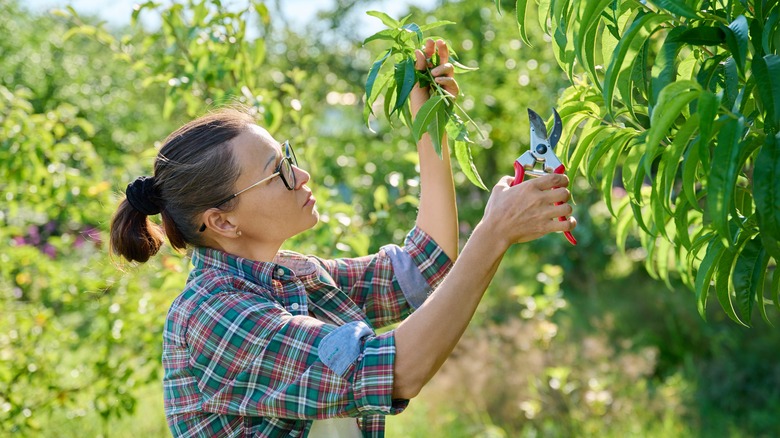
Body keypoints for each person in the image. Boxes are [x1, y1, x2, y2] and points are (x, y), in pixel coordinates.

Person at [110, 39, 576, 438]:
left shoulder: (293, 276)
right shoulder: (211, 315)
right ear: (224, 222)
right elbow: (393, 370)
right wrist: (493, 233)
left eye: (287, 156)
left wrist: (430, 123)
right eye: (278, 172)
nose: (302, 173)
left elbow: (423, 264)